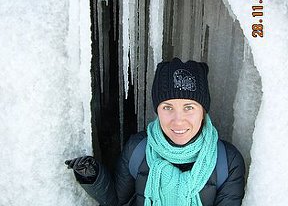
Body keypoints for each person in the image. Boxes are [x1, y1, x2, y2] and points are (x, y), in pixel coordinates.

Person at [65, 57, 245, 206]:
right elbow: (118, 201)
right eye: (168, 107)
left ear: (203, 111)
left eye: (189, 107)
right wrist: (93, 176)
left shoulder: (227, 161)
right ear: (157, 110)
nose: (178, 120)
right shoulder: (138, 149)